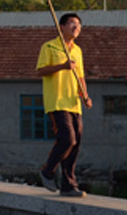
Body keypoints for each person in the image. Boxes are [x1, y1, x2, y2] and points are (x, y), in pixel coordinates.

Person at [36, 13, 92, 197]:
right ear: (61, 26)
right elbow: (41, 70)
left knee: (76, 144)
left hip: (73, 102)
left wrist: (85, 95)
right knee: (68, 139)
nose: (76, 27)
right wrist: (62, 66)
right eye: (72, 24)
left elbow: (81, 76)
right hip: (57, 100)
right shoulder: (50, 46)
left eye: (79, 25)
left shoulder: (78, 50)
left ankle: (68, 185)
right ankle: (47, 170)